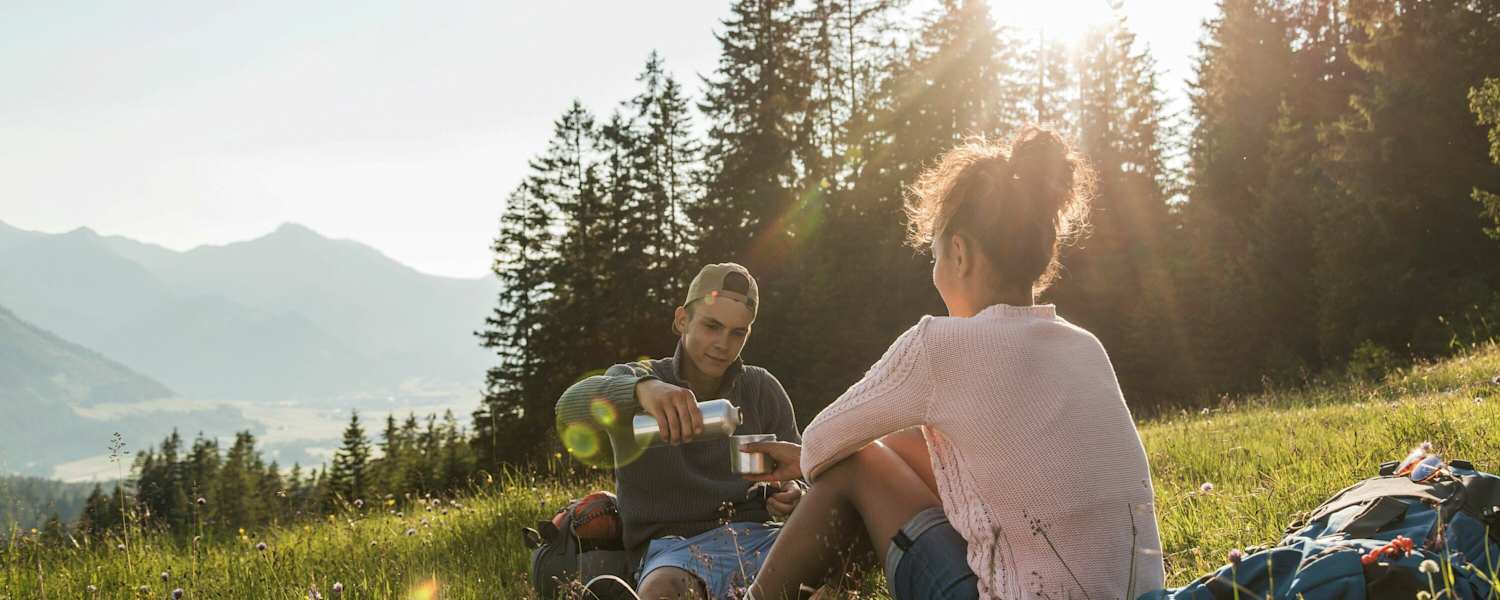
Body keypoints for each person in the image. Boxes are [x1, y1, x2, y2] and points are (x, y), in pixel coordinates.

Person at [741, 127, 1166, 600]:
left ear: (960, 253)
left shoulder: (939, 346)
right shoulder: (1085, 345)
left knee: (856, 461)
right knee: (892, 445)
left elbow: (823, 445)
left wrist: (801, 458)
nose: (935, 268)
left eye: (936, 251)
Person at [555, 263, 805, 599]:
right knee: (663, 590)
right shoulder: (634, 378)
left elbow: (804, 472)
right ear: (681, 320)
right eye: (711, 326)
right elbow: (567, 409)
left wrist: (794, 492)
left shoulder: (761, 389)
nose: (722, 345)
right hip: (671, 551)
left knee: (824, 563)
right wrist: (642, 390)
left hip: (759, 538)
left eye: (737, 333)